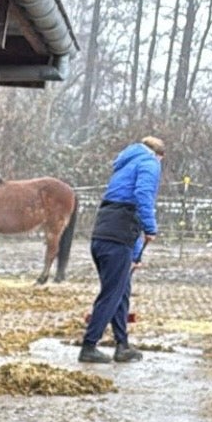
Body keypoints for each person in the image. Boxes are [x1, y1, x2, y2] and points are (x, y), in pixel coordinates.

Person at [79, 136, 165, 364]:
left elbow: (126, 207)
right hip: (119, 236)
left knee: (121, 290)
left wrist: (135, 255)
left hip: (103, 233)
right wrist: (150, 228)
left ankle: (122, 345)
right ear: (159, 155)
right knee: (111, 294)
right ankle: (89, 346)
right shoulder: (149, 162)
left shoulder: (124, 164)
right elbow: (143, 196)